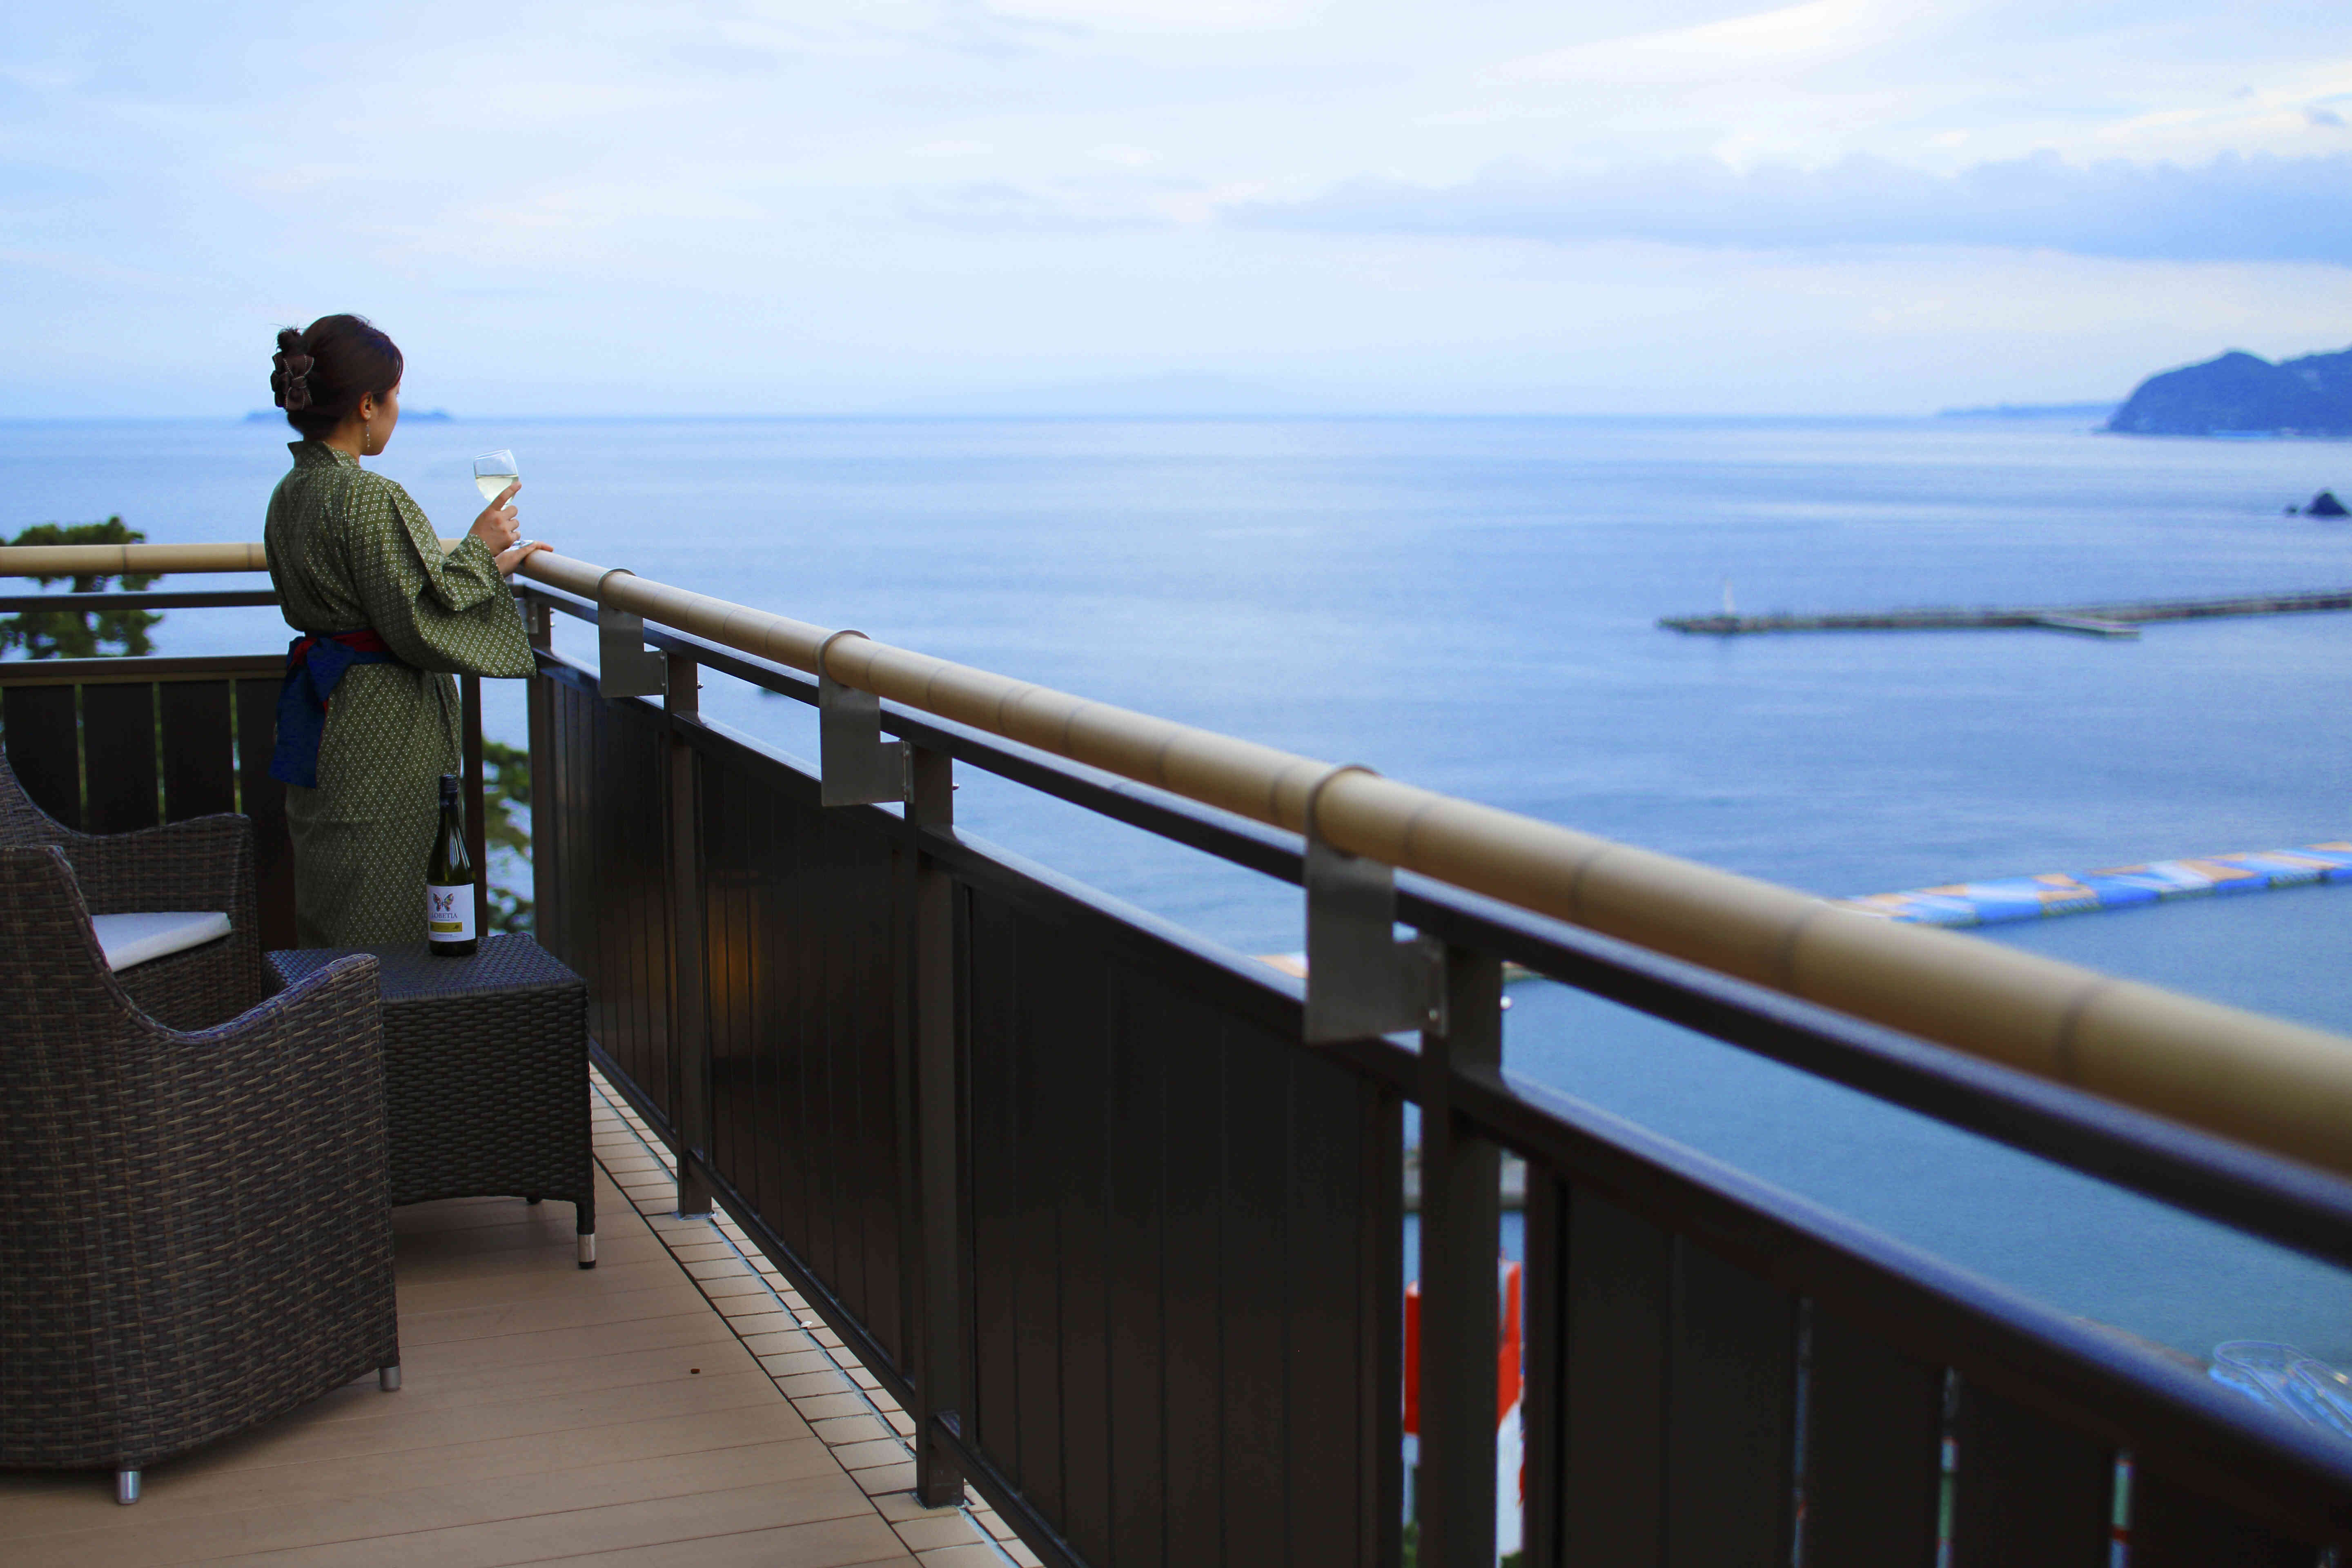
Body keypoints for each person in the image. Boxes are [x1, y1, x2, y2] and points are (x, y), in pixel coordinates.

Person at [262, 314, 550, 947]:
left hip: (325, 714)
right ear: (368, 404)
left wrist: (484, 568)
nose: (396, 410)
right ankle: (392, 1033)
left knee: (337, 886)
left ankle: (331, 1026)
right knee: (388, 898)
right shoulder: (366, 496)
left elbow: (381, 595)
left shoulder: (292, 491)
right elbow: (415, 619)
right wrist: (480, 545)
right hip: (381, 726)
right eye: (394, 397)